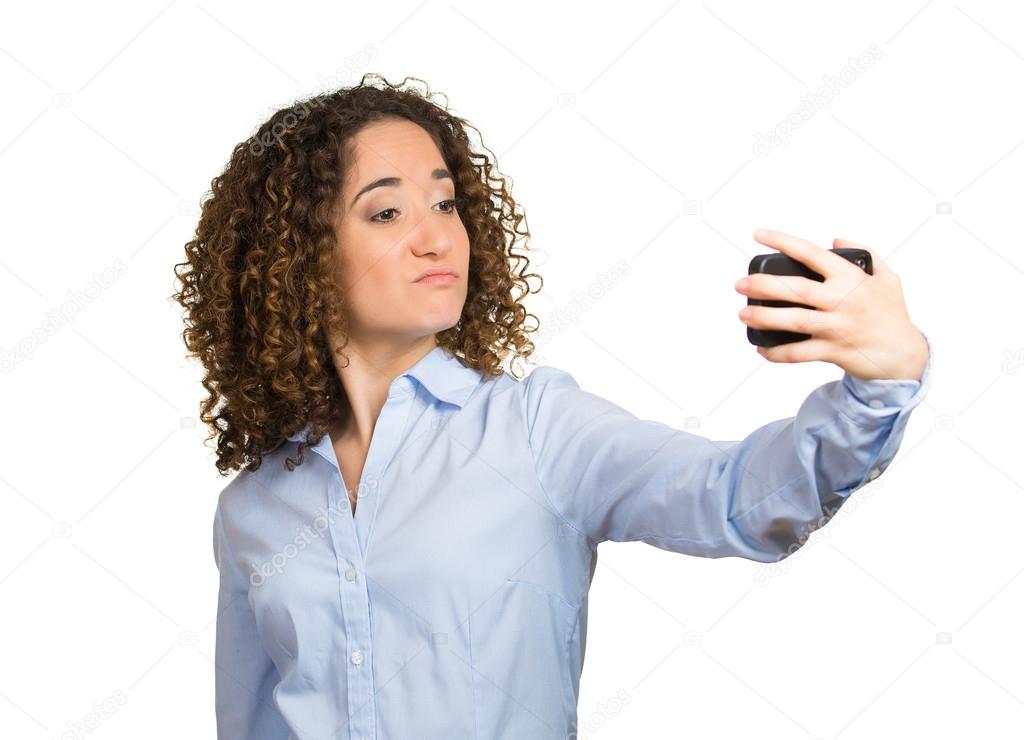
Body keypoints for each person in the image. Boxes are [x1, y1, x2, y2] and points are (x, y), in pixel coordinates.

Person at [172, 73, 932, 740]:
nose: (437, 236)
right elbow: (251, 723)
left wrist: (881, 384)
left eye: (445, 201)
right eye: (385, 213)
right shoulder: (253, 509)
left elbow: (733, 496)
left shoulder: (537, 432)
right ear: (299, 256)